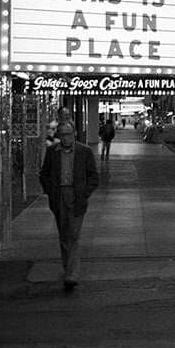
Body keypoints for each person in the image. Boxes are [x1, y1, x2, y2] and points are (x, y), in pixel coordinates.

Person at [39, 121, 99, 291]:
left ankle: (71, 274)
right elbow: (44, 174)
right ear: (59, 135)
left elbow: (94, 176)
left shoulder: (84, 152)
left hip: (76, 196)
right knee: (64, 235)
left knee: (73, 235)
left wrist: (84, 193)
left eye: (69, 134)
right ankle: (68, 268)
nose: (66, 138)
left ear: (75, 135)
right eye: (63, 134)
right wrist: (50, 191)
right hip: (59, 196)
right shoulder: (52, 152)